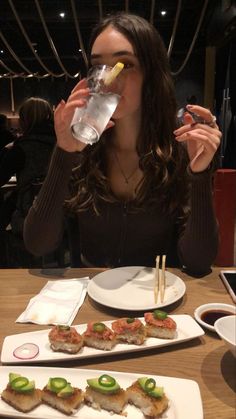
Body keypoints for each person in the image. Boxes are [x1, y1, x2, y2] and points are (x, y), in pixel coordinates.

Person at [24, 12, 222, 276]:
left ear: (151, 73)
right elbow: (38, 244)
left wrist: (199, 176)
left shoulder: (179, 149)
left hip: (158, 304)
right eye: (98, 66)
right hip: (91, 306)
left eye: (124, 64)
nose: (106, 80)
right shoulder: (81, 149)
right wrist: (63, 154)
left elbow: (198, 261)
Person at [0, 97, 56, 235]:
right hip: (62, 213)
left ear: (26, 120)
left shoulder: (21, 148)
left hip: (29, 216)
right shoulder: (63, 144)